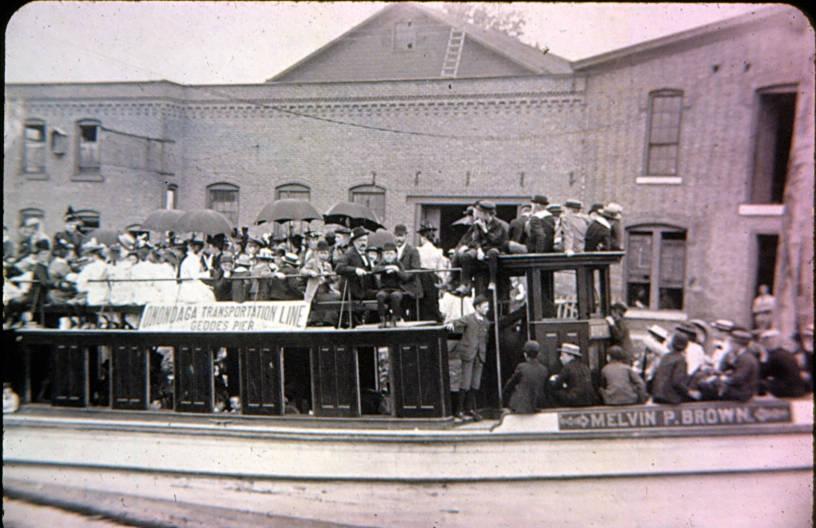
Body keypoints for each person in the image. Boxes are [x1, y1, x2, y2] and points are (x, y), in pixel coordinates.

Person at [446, 294, 491, 421]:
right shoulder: (468, 319)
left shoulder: (486, 322)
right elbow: (453, 324)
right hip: (468, 355)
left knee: (475, 383)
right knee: (465, 382)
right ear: (477, 307)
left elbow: (485, 339)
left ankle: (470, 409)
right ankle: (459, 410)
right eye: (485, 306)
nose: (487, 309)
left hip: (480, 355)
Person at [455, 200, 508, 295]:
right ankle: (464, 283)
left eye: (479, 213)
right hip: (482, 248)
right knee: (466, 256)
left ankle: (493, 281)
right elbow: (475, 239)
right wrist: (478, 249)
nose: (477, 216)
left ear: (486, 213)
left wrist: (485, 230)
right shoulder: (477, 224)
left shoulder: (499, 224)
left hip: (495, 247)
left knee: (493, 253)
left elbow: (496, 240)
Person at [651, 333, 700, 404]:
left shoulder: (665, 357)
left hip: (657, 396)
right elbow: (677, 382)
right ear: (685, 346)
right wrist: (689, 392)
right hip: (670, 399)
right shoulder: (681, 359)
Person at [758, 329, 809, 398]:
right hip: (798, 389)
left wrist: (762, 358)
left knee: (759, 383)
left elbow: (762, 373)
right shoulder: (786, 353)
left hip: (788, 390)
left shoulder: (774, 356)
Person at [502, 340, 550, 414]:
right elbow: (546, 389)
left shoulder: (521, 367)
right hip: (536, 406)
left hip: (520, 406)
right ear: (537, 354)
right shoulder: (544, 369)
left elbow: (510, 385)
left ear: (525, 354)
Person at [372, 242, 410, 327]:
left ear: (395, 255)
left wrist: (396, 270)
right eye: (386, 254)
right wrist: (386, 268)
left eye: (391, 254)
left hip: (397, 289)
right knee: (380, 296)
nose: (389, 256)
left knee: (395, 296)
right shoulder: (382, 263)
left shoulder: (398, 264)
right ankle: (382, 319)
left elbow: (405, 277)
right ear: (383, 255)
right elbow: (374, 270)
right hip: (384, 289)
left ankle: (394, 319)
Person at [335, 227, 377, 304]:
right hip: (355, 292)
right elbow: (339, 268)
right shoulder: (349, 254)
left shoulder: (366, 255)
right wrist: (355, 270)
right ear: (354, 242)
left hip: (367, 289)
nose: (363, 243)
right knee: (380, 296)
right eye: (360, 240)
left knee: (384, 295)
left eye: (365, 240)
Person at [719, 329, 760, 402]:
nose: (730, 345)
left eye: (731, 343)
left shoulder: (746, 358)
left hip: (742, 393)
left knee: (711, 387)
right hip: (739, 389)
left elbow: (738, 378)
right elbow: (722, 369)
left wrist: (723, 380)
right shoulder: (738, 356)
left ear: (738, 344)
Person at [394, 224, 423, 318]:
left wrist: (402, 275)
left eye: (401, 236)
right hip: (396, 286)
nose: (399, 239)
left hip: (410, 286)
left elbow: (415, 269)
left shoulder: (412, 251)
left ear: (406, 236)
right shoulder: (392, 251)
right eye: (397, 236)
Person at [177, 237, 215, 304]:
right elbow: (195, 276)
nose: (200, 249)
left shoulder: (196, 258)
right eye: (197, 246)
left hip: (194, 286)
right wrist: (209, 273)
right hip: (190, 288)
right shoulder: (191, 259)